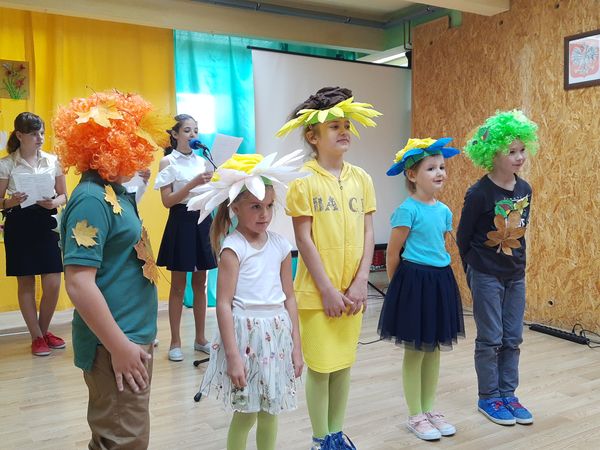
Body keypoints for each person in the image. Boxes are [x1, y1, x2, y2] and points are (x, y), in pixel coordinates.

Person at [55, 90, 164, 448]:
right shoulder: (91, 198)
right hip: (114, 340)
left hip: (129, 334)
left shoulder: (112, 191)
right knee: (124, 438)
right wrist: (119, 346)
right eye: (135, 140)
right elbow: (78, 283)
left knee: (119, 433)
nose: (142, 148)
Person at [278, 86, 381, 449]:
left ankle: (336, 433)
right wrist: (326, 289)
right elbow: (303, 239)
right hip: (317, 294)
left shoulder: (362, 178)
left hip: (352, 293)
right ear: (313, 136)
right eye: (334, 126)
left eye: (346, 125)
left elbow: (369, 232)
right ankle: (320, 439)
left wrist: (361, 281)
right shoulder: (302, 181)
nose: (343, 131)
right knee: (321, 368)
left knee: (343, 366)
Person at [188, 151, 306, 450]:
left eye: (269, 206)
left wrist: (297, 346)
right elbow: (223, 304)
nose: (264, 214)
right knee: (246, 413)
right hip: (246, 339)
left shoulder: (280, 245)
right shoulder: (233, 248)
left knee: (270, 411)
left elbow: (290, 298)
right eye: (255, 206)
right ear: (236, 208)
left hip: (276, 335)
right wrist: (233, 356)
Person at [377, 138, 464, 441]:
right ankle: (415, 414)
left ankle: (430, 409)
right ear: (412, 175)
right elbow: (392, 253)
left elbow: (439, 245)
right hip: (414, 282)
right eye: (431, 168)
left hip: (440, 281)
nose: (440, 172)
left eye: (441, 167)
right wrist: (397, 289)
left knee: (434, 348)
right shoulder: (406, 210)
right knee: (415, 351)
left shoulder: (444, 211)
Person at [457, 110, 538, 426]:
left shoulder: (525, 189)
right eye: (511, 151)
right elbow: (464, 237)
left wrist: (519, 265)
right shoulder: (479, 193)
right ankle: (489, 396)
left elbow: (520, 231)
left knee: (512, 337)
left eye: (522, 150)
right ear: (492, 154)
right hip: (486, 273)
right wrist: (473, 271)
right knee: (491, 338)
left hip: (515, 274)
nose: (519, 157)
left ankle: (509, 393)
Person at [0, 112, 67, 356]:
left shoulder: (53, 160)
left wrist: (53, 202)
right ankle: (37, 337)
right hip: (19, 223)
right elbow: (0, 202)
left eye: (42, 133)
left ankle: (44, 330)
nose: (40, 138)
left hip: (47, 220)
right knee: (26, 281)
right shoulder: (6, 164)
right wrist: (11, 201)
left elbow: (64, 195)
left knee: (53, 282)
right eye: (34, 134)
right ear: (19, 135)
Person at [154, 114, 217, 362]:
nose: (193, 135)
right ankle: (175, 342)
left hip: (203, 220)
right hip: (181, 220)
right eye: (188, 130)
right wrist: (192, 184)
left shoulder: (203, 161)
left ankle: (201, 339)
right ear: (175, 134)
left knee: (201, 283)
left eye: (196, 130)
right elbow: (167, 201)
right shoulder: (167, 162)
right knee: (178, 285)